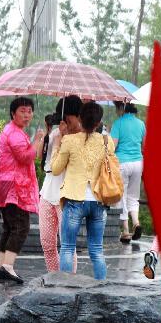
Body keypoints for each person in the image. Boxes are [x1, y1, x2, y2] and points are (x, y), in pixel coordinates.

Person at [51, 101, 114, 281]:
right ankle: (101, 288)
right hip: (98, 201)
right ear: (98, 122)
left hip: (74, 200)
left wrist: (56, 145)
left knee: (68, 248)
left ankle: (65, 288)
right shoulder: (106, 141)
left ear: (79, 118)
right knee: (96, 249)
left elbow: (55, 169)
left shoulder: (69, 140)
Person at [0, 97, 44, 283]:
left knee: (9, 226)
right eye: (23, 110)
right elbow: (24, 157)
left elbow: (30, 155)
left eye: (29, 111)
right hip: (15, 186)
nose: (27, 114)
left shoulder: (14, 130)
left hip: (6, 184)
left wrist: (36, 142)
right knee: (21, 226)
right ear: (13, 113)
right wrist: (37, 140)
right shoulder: (14, 132)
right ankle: (7, 267)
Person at [36, 96, 83, 272]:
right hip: (48, 193)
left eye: (68, 118)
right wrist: (48, 133)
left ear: (78, 116)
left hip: (68, 197)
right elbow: (41, 158)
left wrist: (61, 142)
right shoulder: (56, 133)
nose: (65, 122)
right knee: (47, 244)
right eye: (63, 118)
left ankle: (68, 283)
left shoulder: (83, 138)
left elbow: (63, 166)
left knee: (68, 245)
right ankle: (53, 279)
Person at [111, 101, 146, 244]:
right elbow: (144, 145)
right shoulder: (141, 124)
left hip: (122, 163)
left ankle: (125, 231)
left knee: (122, 196)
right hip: (138, 163)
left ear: (121, 109)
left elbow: (113, 146)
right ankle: (136, 222)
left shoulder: (118, 123)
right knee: (133, 196)